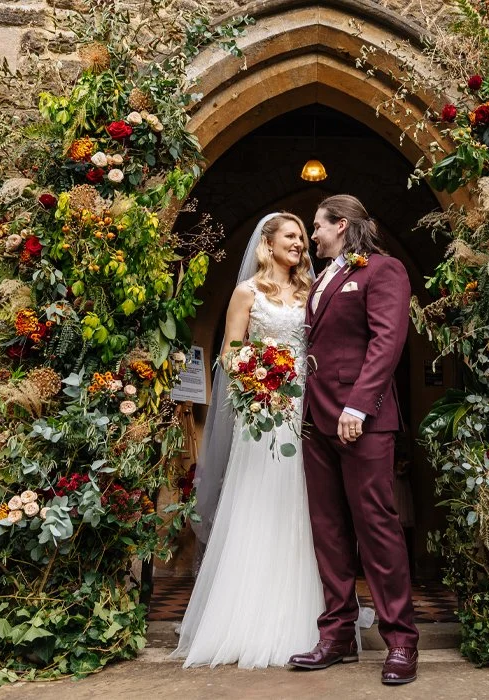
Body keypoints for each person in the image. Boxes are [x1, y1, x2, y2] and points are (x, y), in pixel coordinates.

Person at [171, 212, 324, 669]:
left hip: (304, 411)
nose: (300, 244)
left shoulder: (311, 292)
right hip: (264, 412)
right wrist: (260, 385)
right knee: (256, 502)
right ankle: (242, 617)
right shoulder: (247, 292)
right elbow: (230, 354)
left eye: (302, 237)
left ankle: (303, 616)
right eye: (292, 237)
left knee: (301, 505)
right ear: (268, 243)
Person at [288, 195, 419, 685]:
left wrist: (358, 406)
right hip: (314, 421)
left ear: (340, 225)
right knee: (329, 530)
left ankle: (401, 642)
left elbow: (388, 341)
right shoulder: (320, 279)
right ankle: (338, 635)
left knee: (376, 527)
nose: (312, 236)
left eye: (317, 227)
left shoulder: (384, 270)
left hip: (360, 421)